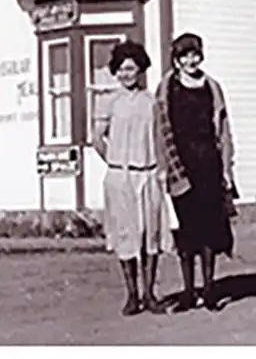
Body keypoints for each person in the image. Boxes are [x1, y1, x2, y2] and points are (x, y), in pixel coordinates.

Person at [154, 32, 238, 312]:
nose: (191, 60)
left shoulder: (212, 87)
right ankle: (189, 292)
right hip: (182, 166)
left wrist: (226, 167)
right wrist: (165, 168)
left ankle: (210, 290)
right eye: (185, 56)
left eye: (195, 55)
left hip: (209, 166)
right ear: (176, 60)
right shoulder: (167, 88)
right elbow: (160, 131)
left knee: (210, 231)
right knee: (187, 232)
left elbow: (223, 130)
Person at [92, 40, 176, 316]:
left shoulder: (152, 101)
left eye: (133, 68)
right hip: (120, 177)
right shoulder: (109, 101)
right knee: (127, 236)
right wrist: (116, 162)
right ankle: (131, 295)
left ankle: (150, 294)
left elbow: (161, 138)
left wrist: (158, 168)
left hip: (148, 174)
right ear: (116, 71)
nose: (128, 74)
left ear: (141, 70)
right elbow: (97, 140)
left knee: (150, 235)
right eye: (123, 69)